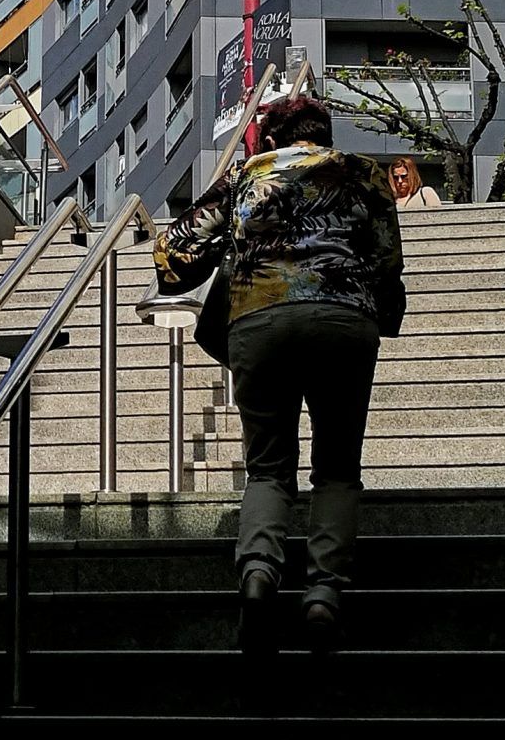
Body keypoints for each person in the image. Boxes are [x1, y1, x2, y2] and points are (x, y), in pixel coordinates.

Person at [155, 93, 405, 652]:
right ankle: (322, 595)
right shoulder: (362, 175)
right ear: (325, 137)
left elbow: (174, 251)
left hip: (259, 318)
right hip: (344, 319)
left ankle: (259, 577)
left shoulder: (248, 175)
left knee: (267, 468)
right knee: (337, 467)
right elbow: (388, 262)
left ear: (271, 139)